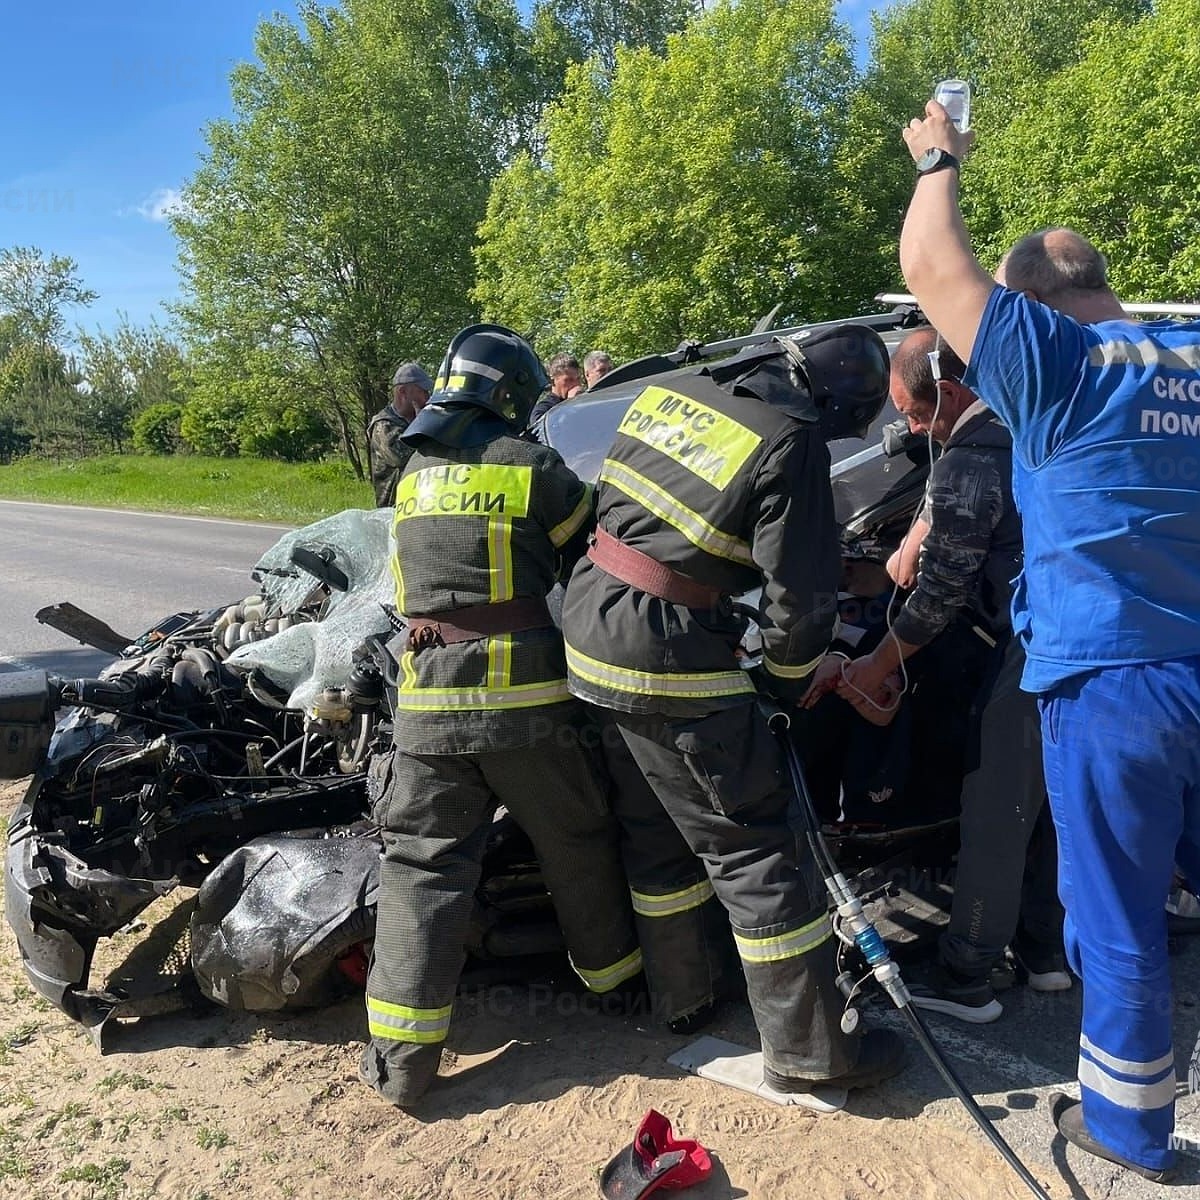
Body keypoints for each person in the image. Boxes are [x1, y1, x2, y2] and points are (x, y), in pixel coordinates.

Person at [898, 99, 1200, 1182]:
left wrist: (940, 154)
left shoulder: (1058, 363)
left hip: (1113, 684)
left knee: (1115, 914)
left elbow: (933, 264)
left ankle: (1122, 1127)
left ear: (1024, 304)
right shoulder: (1191, 352)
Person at [560, 325, 907, 1093]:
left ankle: (686, 996)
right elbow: (805, 605)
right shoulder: (790, 442)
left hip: (591, 626)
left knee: (659, 828)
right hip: (665, 654)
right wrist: (783, 690)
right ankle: (814, 1055)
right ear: (834, 405)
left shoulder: (678, 390)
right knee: (757, 845)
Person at [360, 324, 642, 1108]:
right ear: (514, 398)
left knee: (422, 866)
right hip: (525, 708)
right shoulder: (530, 465)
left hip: (425, 705)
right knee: (577, 840)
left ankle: (402, 1063)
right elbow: (591, 554)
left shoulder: (413, 472)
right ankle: (614, 988)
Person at [834, 328, 1066, 1023]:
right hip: (1086, 641)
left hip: (1033, 645)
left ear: (954, 393)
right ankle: (1045, 953)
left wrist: (876, 663)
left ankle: (966, 974)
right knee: (1047, 805)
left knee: (996, 809)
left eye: (913, 413)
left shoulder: (969, 458)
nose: (909, 427)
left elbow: (935, 592)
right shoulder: (1039, 426)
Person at [367, 361, 434, 506]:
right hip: (392, 508)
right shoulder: (383, 424)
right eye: (423, 391)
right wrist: (421, 426)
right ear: (402, 392)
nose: (427, 397)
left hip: (418, 504)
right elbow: (399, 458)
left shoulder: (417, 419)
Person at [528, 352, 582, 424]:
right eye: (569, 380)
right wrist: (570, 404)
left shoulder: (584, 404)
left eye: (578, 379)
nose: (576, 384)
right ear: (552, 381)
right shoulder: (543, 409)